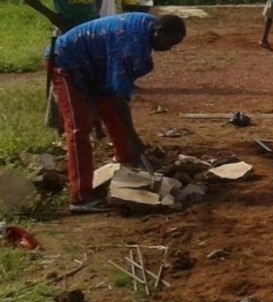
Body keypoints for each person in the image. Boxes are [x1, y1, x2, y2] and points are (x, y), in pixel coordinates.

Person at [47, 12, 187, 214]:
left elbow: (116, 96)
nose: (168, 49)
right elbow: (119, 97)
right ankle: (80, 197)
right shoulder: (129, 45)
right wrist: (133, 136)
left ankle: (125, 162)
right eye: (169, 43)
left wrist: (130, 138)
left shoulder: (148, 26)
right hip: (68, 64)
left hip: (96, 67)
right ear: (159, 32)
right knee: (79, 128)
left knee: (113, 115)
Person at [17, 0, 105, 132]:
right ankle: (61, 126)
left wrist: (96, 14)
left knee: (94, 75)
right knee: (65, 78)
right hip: (67, 31)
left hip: (91, 31)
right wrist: (52, 16)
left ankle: (95, 123)